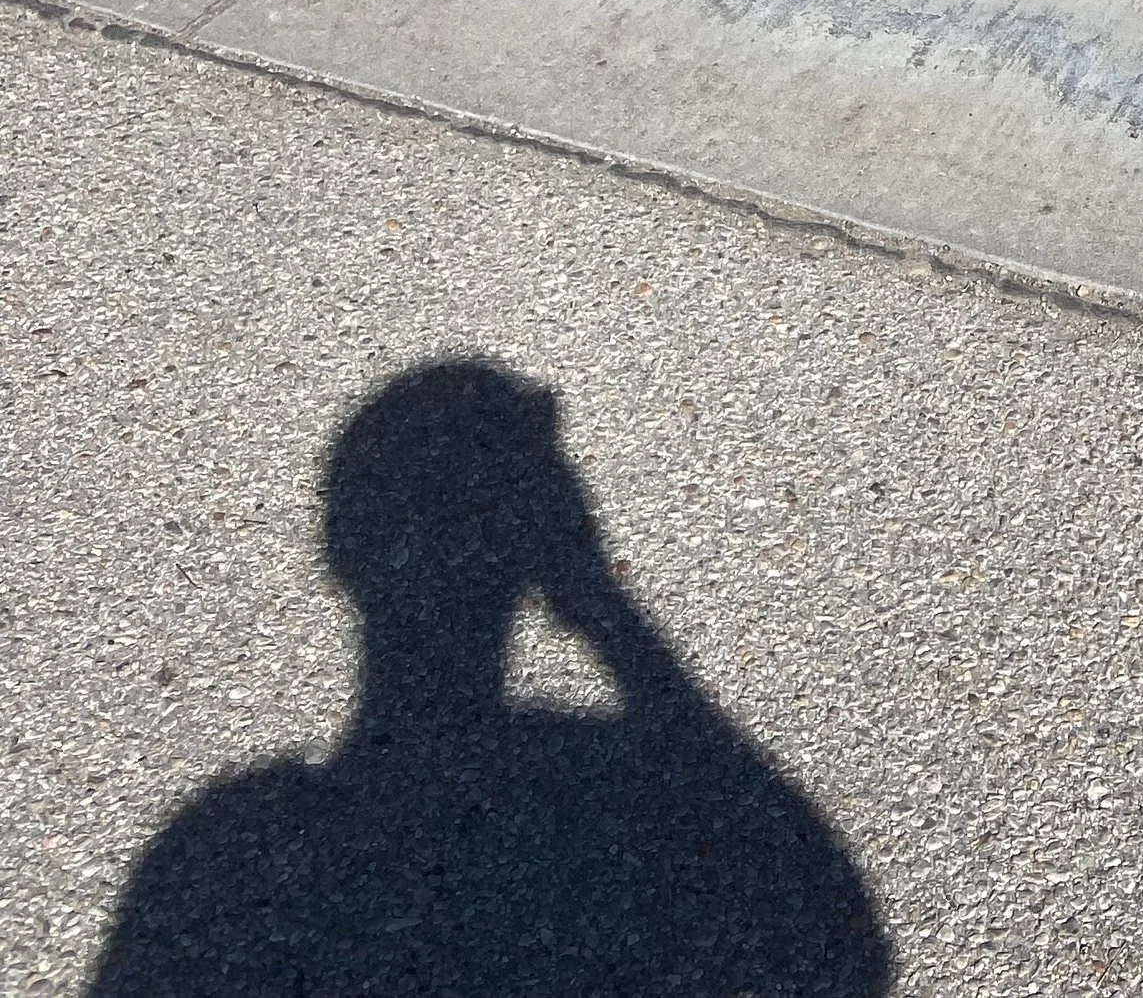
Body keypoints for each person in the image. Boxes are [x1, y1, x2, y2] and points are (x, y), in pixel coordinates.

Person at [90, 361, 893, 996]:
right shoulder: (589, 778)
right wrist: (608, 614)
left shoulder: (227, 848)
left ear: (342, 556)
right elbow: (831, 931)